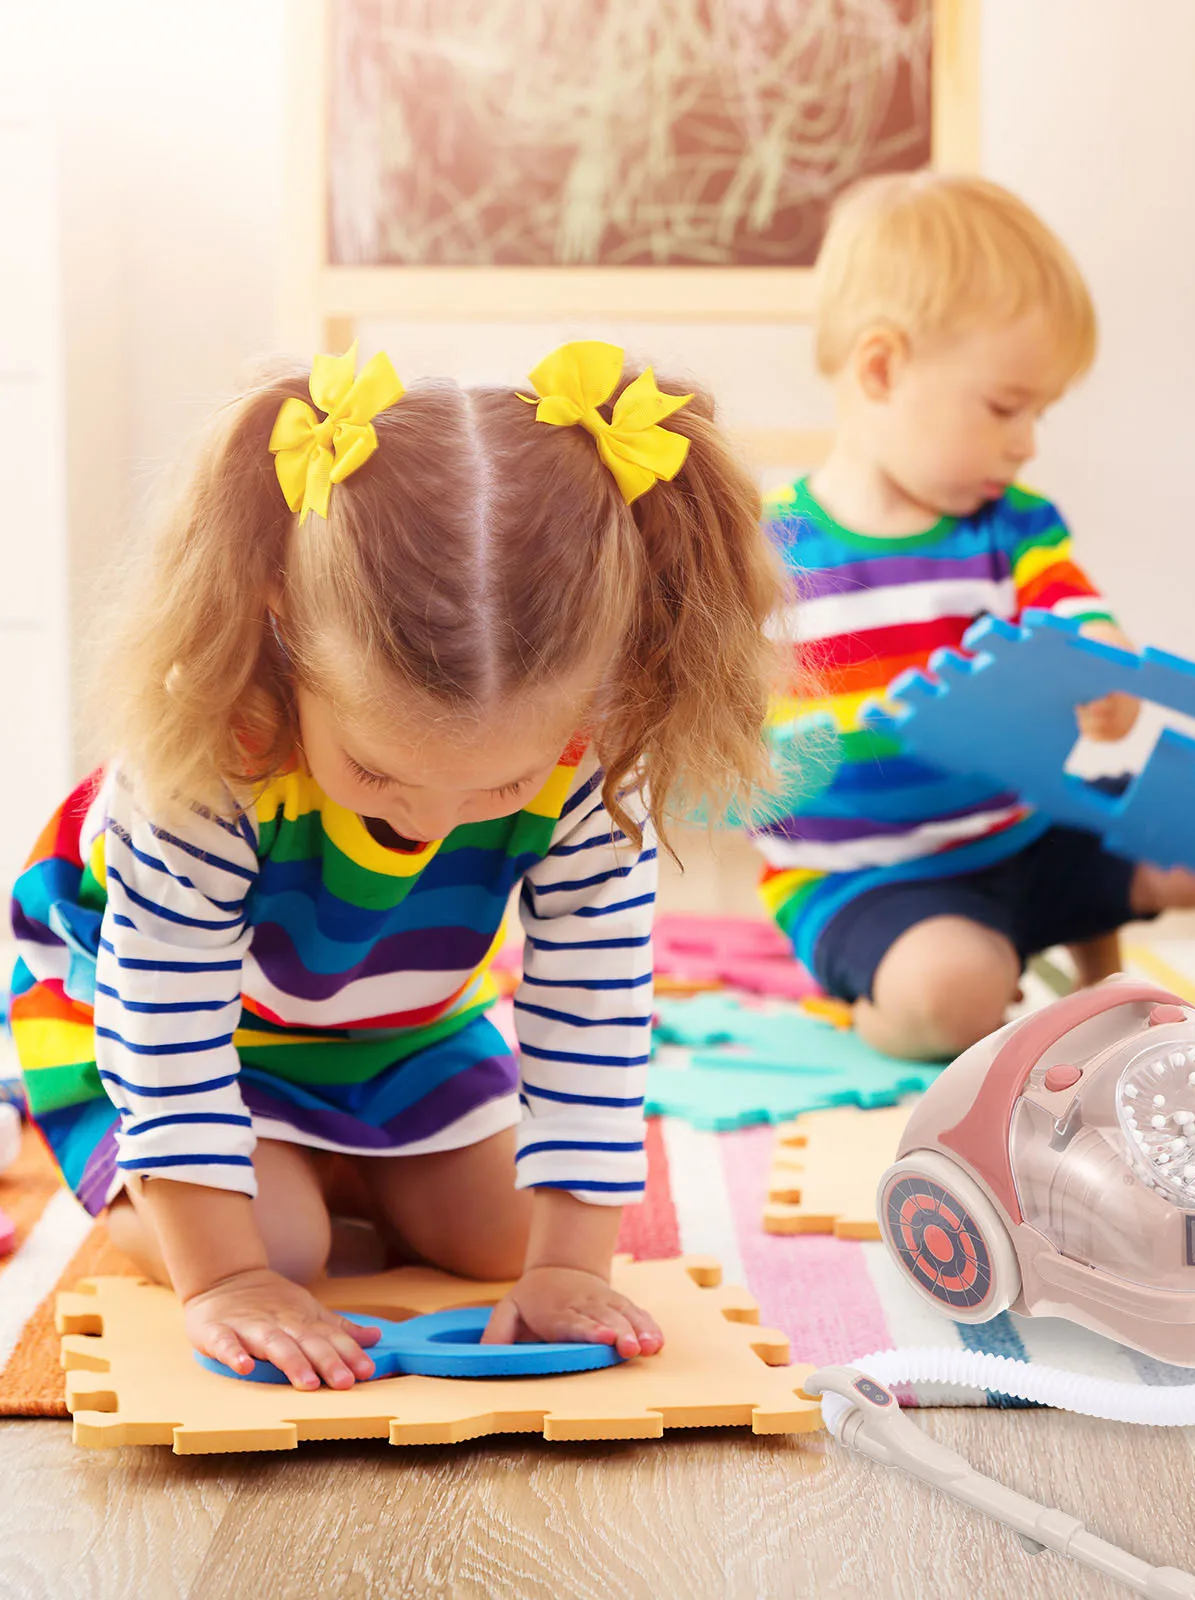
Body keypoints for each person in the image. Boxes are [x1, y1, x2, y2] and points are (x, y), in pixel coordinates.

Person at [9, 340, 786, 1390]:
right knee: (281, 1249)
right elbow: (166, 1024)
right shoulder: (213, 754)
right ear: (282, 615)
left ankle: (322, 1163)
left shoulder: (592, 758)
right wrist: (227, 1279)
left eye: (502, 788)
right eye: (377, 774)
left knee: (512, 1239)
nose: (434, 822)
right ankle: (239, 1174)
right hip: (148, 1019)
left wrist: (567, 1266)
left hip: (396, 1021)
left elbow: (593, 1007)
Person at [755, 173, 1195, 1062]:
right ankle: (873, 1007)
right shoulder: (769, 557)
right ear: (882, 369)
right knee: (950, 994)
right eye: (1006, 407)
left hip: (1025, 834)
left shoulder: (1014, 527)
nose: (1027, 441)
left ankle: (1075, 957)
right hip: (870, 881)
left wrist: (1105, 667)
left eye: (1040, 413)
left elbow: (1074, 610)